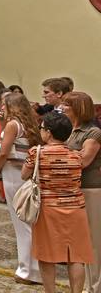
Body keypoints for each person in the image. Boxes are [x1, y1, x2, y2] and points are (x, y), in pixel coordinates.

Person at [23, 111, 92, 293]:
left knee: (47, 255)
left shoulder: (37, 153)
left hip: (48, 208)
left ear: (49, 132)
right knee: (76, 256)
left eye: (42, 128)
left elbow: (24, 174)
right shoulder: (77, 155)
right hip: (76, 208)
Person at [0, 92, 41, 284]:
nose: (1, 107)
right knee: (28, 222)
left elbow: (4, 151)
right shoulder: (29, 124)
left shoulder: (13, 124)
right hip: (23, 173)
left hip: (13, 174)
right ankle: (32, 267)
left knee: (21, 223)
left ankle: (27, 270)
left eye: (4, 104)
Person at [60, 92, 101, 292]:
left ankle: (96, 286)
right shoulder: (68, 130)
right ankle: (85, 285)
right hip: (72, 189)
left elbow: (84, 160)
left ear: (78, 108)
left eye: (66, 105)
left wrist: (60, 154)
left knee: (94, 240)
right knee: (78, 240)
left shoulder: (93, 132)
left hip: (91, 188)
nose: (62, 108)